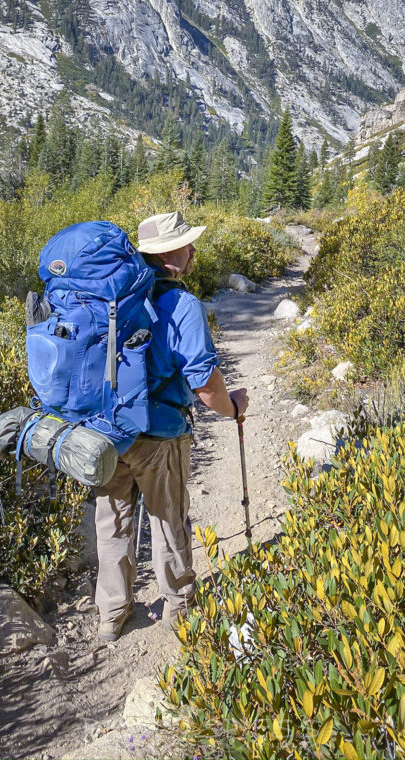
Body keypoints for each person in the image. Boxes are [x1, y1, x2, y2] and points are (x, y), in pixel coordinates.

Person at [95, 210, 249, 641]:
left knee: (112, 523)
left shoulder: (108, 298)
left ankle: (111, 615)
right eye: (187, 244)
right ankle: (179, 606)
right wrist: (233, 407)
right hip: (160, 434)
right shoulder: (181, 304)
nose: (194, 250)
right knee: (168, 520)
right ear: (169, 256)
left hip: (105, 432)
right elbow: (204, 384)